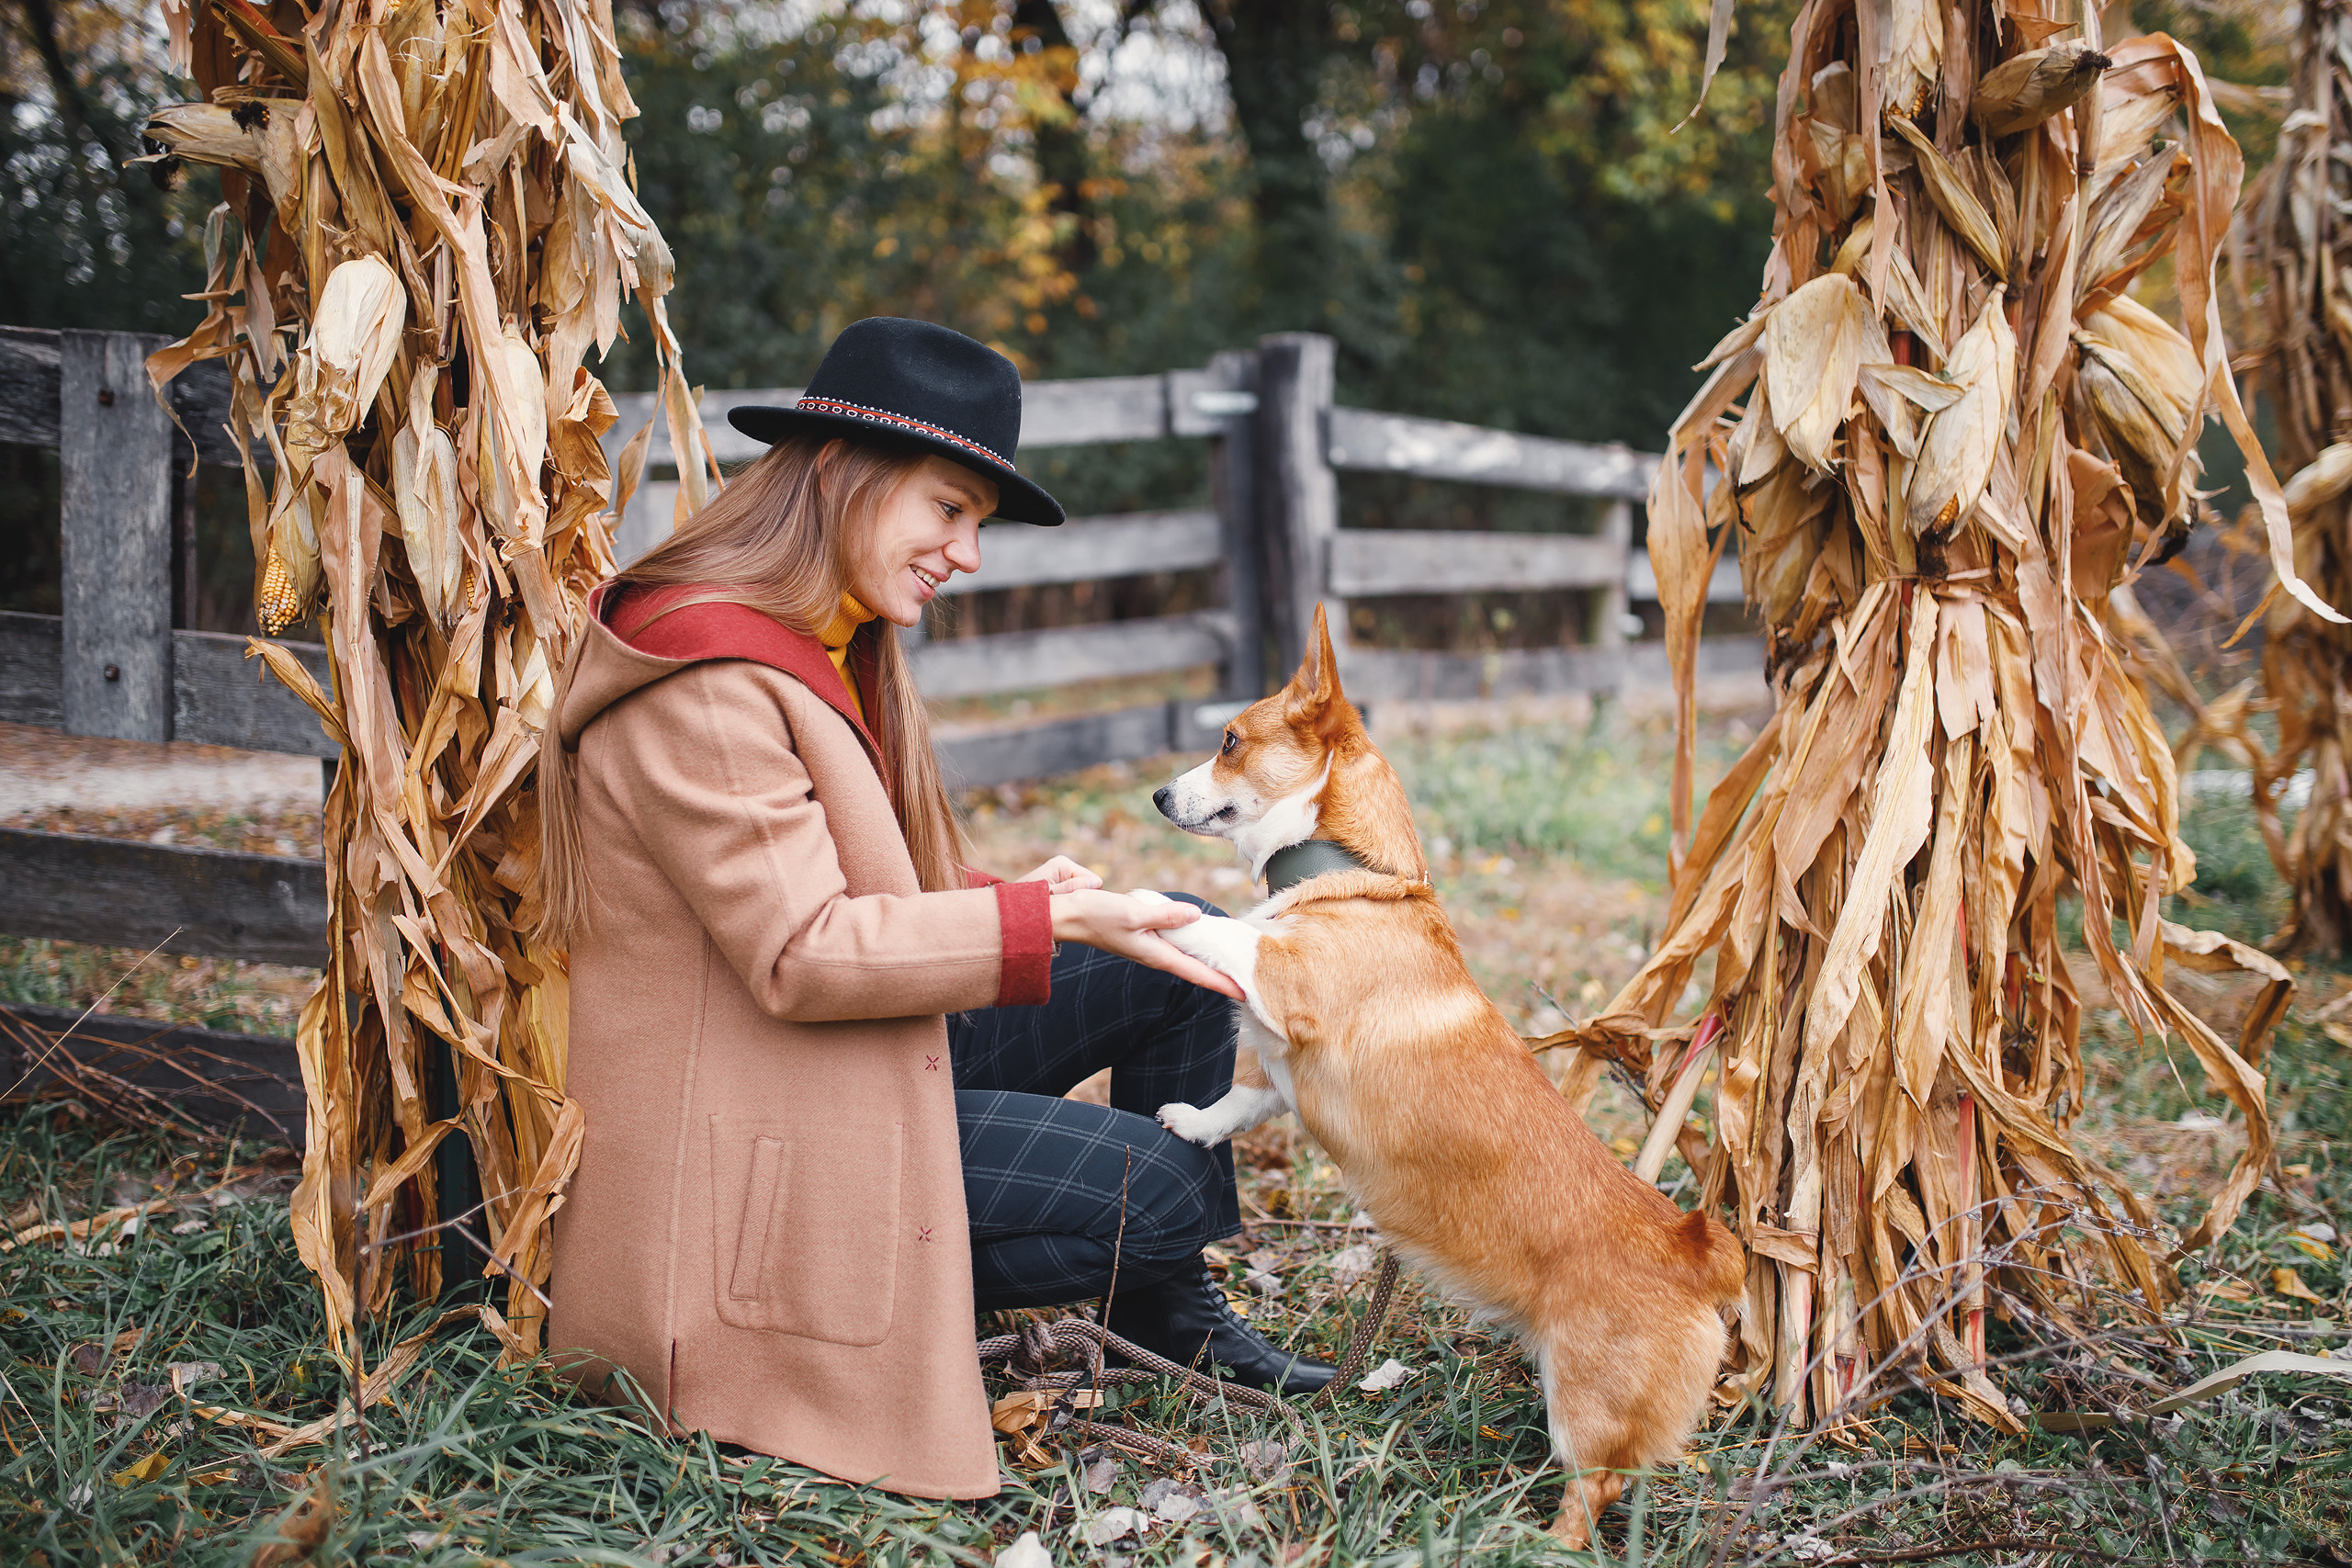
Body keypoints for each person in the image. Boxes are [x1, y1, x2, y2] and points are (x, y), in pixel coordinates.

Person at [535, 317, 1333, 1502]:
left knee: (1166, 937)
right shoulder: (701, 680)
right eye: (947, 510)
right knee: (1157, 1188)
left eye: (977, 524)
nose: (966, 553)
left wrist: (1031, 905)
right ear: (842, 475)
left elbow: (834, 886)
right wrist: (1040, 926)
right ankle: (1090, 1270)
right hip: (760, 1156)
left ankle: (1172, 1314)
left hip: (828, 1063)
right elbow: (802, 953)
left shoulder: (816, 640)